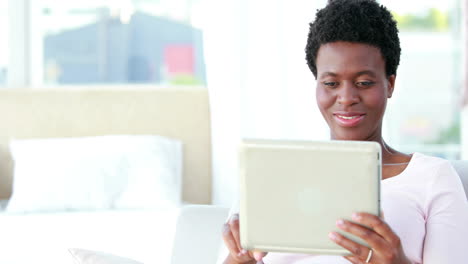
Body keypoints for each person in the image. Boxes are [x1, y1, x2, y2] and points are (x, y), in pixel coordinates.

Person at [220, 0, 468, 263]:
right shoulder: (270, 173)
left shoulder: (432, 178)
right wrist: (237, 259)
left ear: (390, 84)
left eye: (363, 82)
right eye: (331, 83)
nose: (347, 97)